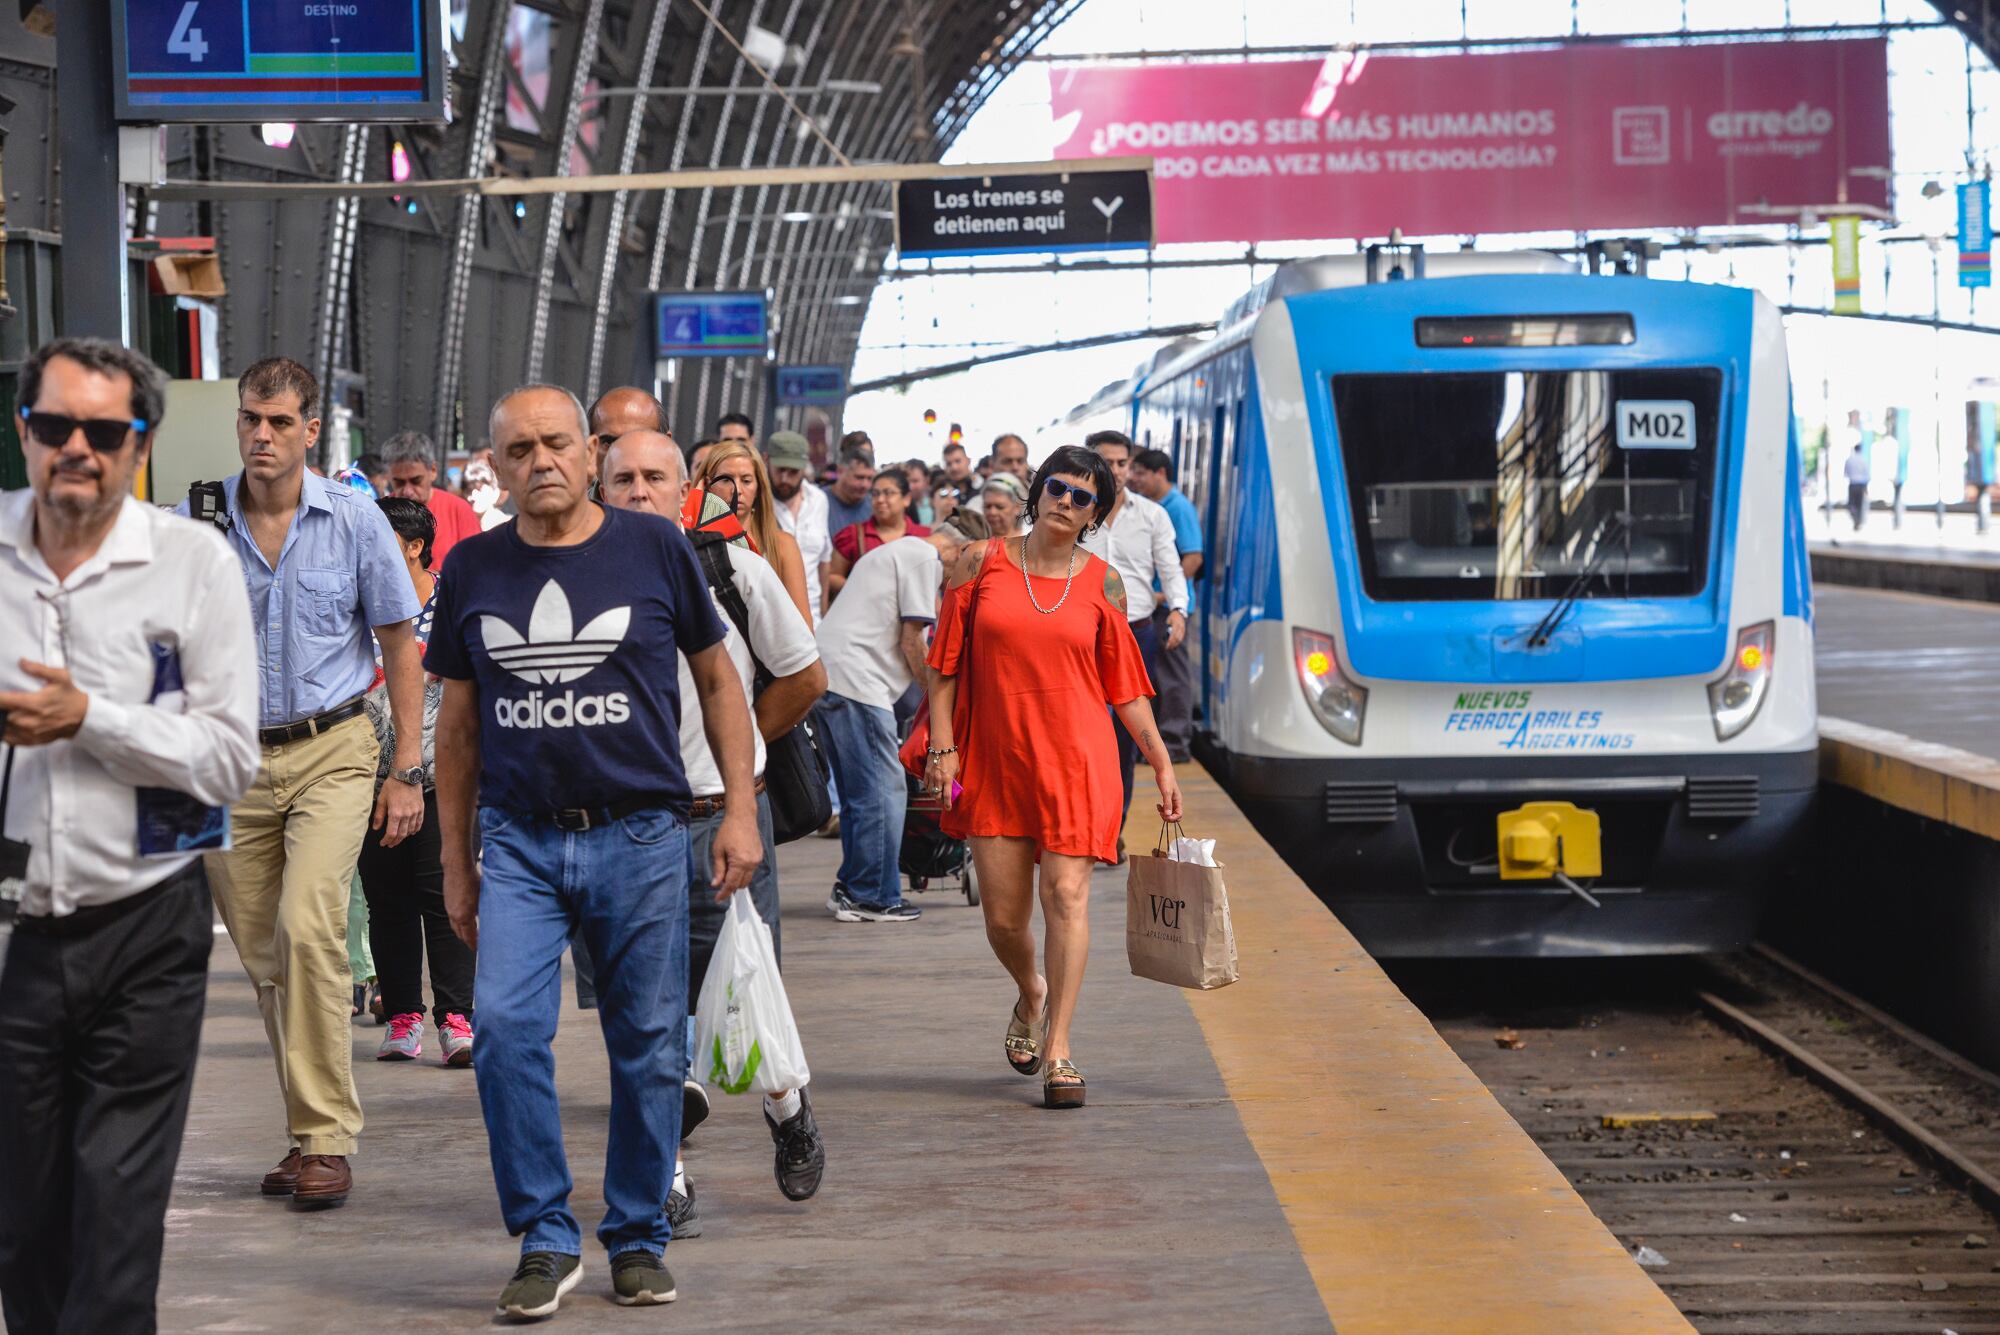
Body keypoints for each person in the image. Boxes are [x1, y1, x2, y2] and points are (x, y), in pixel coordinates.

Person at [429, 384, 762, 1318]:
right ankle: (543, 1233)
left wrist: (738, 810)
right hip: (521, 842)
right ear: (493, 468)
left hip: (643, 833)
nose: (541, 461)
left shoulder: (654, 546)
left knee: (650, 1046)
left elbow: (719, 681)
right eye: (520, 448)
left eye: (557, 444)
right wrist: (457, 862)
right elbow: (455, 730)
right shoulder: (473, 567)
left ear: (589, 453)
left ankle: (637, 1233)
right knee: (500, 1034)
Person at [0, 338, 260, 1335]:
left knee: (116, 1211)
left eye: (104, 432)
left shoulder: (191, 565)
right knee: (23, 1226)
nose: (78, 448)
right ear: (23, 431)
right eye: (56, 426)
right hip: (14, 931)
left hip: (144, 927)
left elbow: (230, 756)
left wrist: (89, 719)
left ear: (138, 445)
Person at [187, 356, 426, 1211]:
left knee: (309, 925)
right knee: (266, 957)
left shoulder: (357, 521)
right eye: (252, 418)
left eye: (280, 421)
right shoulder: (201, 517)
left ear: (311, 429)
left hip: (334, 748)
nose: (261, 434)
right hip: (231, 762)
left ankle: (326, 1139)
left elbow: (401, 645)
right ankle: (304, 1131)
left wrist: (407, 770)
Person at [601, 430, 829, 1232]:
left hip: (716, 817)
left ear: (683, 487)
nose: (637, 491)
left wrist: (743, 765)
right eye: (621, 478)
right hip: (621, 831)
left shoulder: (729, 567)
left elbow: (805, 673)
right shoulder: (574, 573)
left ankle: (787, 1105)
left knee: (743, 983)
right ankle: (667, 1171)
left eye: (653, 477)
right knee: (643, 1010)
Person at [924, 445, 1182, 1110]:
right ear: (1038, 491)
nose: (1067, 502)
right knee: (1005, 919)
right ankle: (1031, 990)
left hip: (1078, 763)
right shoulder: (978, 564)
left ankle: (1061, 1048)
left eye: (1084, 496)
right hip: (997, 761)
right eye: (1059, 488)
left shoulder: (1105, 584)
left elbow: (1125, 687)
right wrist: (944, 747)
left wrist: (1159, 759)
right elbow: (942, 663)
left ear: (1096, 512)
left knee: (1066, 895)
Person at [358, 497, 476, 1066]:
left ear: (412, 546)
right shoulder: (358, 602)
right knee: (388, 903)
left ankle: (457, 1016)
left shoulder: (454, 602)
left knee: (443, 896)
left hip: (442, 778)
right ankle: (402, 1015)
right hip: (370, 781)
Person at [814, 527, 951, 923]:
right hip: (857, 682)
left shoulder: (898, 551)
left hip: (835, 676)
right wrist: (935, 701)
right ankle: (872, 894)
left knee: (861, 794)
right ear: (956, 549)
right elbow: (913, 642)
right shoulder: (926, 557)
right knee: (882, 793)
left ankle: (852, 886)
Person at [1079, 430, 1189, 854]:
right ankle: (1085, 820)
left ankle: (1113, 828)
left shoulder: (1152, 515)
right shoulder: (1076, 510)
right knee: (1088, 732)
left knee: (1126, 737)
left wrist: (1178, 609)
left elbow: (1171, 567)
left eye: (1122, 463)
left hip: (1135, 633)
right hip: (1082, 637)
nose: (1116, 470)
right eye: (1106, 462)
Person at [1129, 448, 1205, 762]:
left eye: (1140, 473)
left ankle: (1175, 745)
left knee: (1173, 676)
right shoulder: (1157, 506)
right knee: (1157, 675)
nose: (1135, 479)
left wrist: (1168, 596)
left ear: (1160, 473)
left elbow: (1193, 558)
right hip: (1156, 606)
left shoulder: (1178, 508)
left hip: (1169, 608)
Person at [696, 439, 814, 627]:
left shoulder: (782, 545)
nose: (738, 490)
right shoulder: (688, 540)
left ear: (759, 487)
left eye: (746, 480)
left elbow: (804, 626)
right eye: (726, 479)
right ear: (707, 484)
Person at [825, 467, 931, 605]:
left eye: (888, 493)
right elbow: (831, 576)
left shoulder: (924, 536)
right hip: (865, 616)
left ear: (906, 499)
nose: (880, 500)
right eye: (875, 494)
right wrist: (859, 589)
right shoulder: (854, 535)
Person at [383, 428, 483, 567]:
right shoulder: (380, 515)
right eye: (399, 482)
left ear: (433, 471)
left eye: (416, 481)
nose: (407, 491)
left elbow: (476, 566)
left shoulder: (459, 510)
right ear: (388, 477)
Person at [768, 429, 831, 626]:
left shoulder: (818, 500)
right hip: (771, 616)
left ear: (805, 468)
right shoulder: (757, 503)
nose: (785, 478)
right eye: (780, 470)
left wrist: (823, 612)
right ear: (766, 461)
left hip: (812, 618)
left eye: (793, 471)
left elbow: (824, 560)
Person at [822, 445, 875, 536]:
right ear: (840, 472)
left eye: (869, 478)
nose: (865, 485)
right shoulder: (817, 502)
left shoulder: (874, 506)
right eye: (859, 477)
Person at [980, 471, 1030, 540]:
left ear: (1017, 508)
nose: (992, 512)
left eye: (1000, 507)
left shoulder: (1031, 540)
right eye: (987, 506)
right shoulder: (975, 543)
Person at [1845, 438, 1872, 531]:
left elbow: (1846, 473)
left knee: (1852, 504)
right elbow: (1867, 474)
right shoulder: (1864, 460)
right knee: (1859, 504)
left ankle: (1855, 518)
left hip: (1852, 484)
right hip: (1861, 484)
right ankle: (1858, 519)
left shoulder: (1849, 460)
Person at [904, 457, 935, 525]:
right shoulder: (899, 507)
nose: (910, 486)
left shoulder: (935, 505)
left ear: (926, 481)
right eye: (907, 482)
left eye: (915, 481)